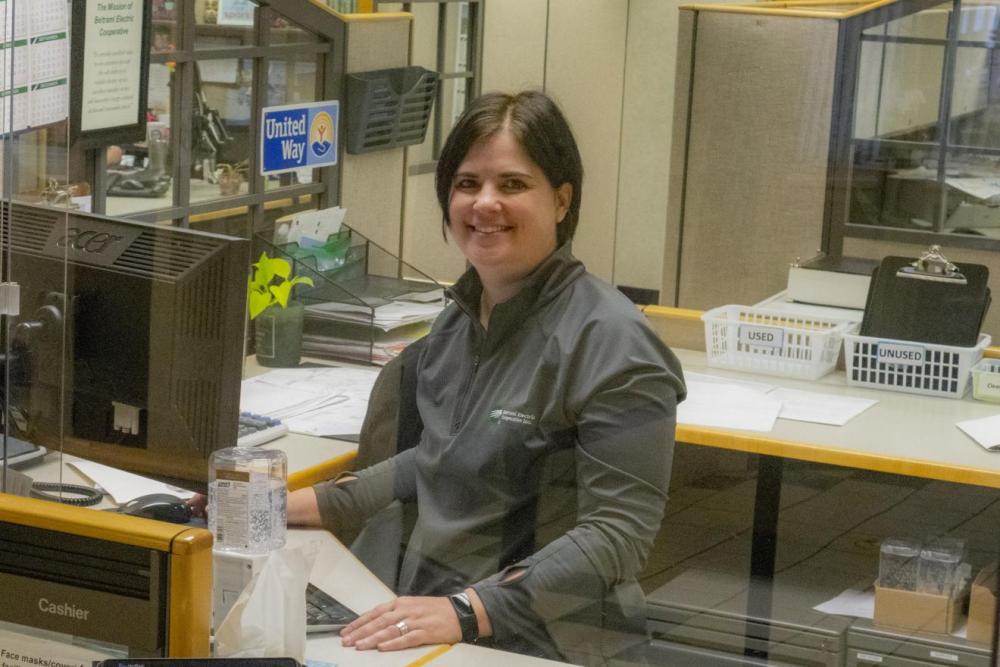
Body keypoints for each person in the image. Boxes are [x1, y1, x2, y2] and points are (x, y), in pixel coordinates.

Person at [285, 90, 685, 665]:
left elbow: (618, 535)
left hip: (546, 640)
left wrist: (466, 610)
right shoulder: (460, 320)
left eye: (513, 185)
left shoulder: (613, 342)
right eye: (467, 184)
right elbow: (437, 456)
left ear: (563, 200)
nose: (484, 203)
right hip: (444, 618)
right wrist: (302, 504)